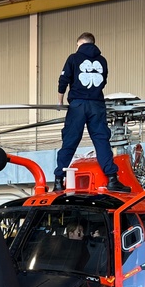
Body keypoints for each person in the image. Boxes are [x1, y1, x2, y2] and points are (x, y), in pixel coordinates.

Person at [54, 32, 129, 194]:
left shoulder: (73, 58)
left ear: (81, 43)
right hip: (97, 105)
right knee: (102, 141)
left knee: (70, 141)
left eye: (77, 45)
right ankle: (112, 179)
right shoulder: (102, 60)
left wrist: (60, 101)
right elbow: (104, 81)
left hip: (78, 105)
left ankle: (59, 180)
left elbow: (63, 80)